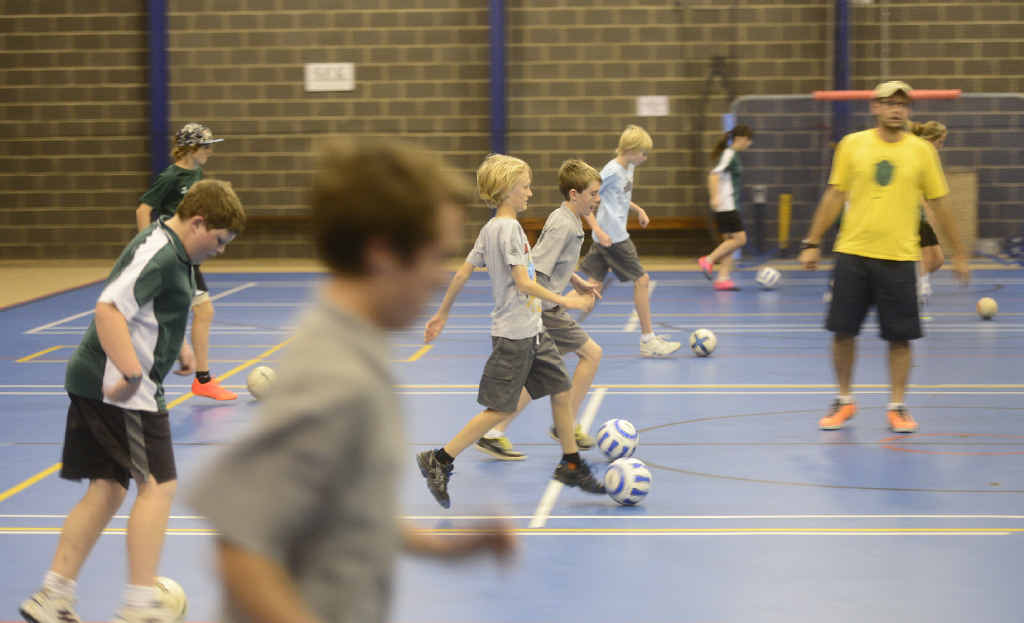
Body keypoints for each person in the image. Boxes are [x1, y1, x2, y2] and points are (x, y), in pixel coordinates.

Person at [188, 138, 514, 623]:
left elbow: (349, 511)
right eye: (433, 256)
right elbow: (239, 548)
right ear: (382, 253)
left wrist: (450, 548)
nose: (438, 278)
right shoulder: (332, 375)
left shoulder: (362, 352)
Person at [20, 179, 246, 623]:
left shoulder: (175, 249)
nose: (220, 251)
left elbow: (152, 307)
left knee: (107, 488)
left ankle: (53, 596)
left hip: (97, 383)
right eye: (219, 241)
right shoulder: (159, 253)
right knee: (158, 485)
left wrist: (175, 343)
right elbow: (108, 309)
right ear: (199, 222)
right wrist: (128, 372)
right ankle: (140, 606)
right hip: (122, 391)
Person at [418, 153, 605, 508]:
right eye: (525, 187)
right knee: (499, 410)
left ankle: (571, 463)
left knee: (561, 388)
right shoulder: (509, 230)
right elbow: (524, 282)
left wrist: (442, 313)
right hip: (515, 334)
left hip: (532, 329)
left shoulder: (491, 229)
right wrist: (569, 303)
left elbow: (462, 272)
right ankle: (439, 459)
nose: (530, 193)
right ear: (506, 190)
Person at [798, 81, 969, 434]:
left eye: (903, 104)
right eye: (889, 103)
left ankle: (897, 406)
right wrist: (812, 240)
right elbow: (834, 194)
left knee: (900, 337)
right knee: (843, 332)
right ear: (875, 107)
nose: (896, 110)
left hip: (899, 257)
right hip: (852, 253)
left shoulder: (922, 152)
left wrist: (960, 253)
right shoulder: (852, 145)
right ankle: (844, 400)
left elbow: (940, 202)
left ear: (909, 110)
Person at [470, 159, 605, 460]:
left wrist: (577, 280)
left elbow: (550, 263)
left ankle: (494, 432)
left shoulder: (567, 220)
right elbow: (536, 269)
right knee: (591, 354)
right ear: (574, 194)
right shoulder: (563, 224)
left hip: (544, 307)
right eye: (593, 194)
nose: (597, 200)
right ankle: (564, 424)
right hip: (544, 309)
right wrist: (563, 301)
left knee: (540, 377)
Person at [136, 122, 236, 401]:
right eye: (206, 146)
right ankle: (183, 376)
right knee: (182, 315)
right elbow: (144, 208)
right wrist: (147, 244)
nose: (210, 151)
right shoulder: (171, 176)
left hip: (190, 256)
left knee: (199, 313)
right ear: (191, 147)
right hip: (173, 254)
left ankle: (201, 379)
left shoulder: (198, 173)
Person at [580, 125, 681, 357]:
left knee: (590, 290)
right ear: (632, 150)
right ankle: (648, 340)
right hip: (613, 238)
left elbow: (620, 197)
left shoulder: (629, 168)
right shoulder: (611, 171)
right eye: (643, 153)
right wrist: (597, 229)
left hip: (607, 237)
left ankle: (549, 325)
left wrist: (638, 209)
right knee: (642, 280)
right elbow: (587, 201)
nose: (645, 157)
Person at [698, 125, 755, 290]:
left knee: (730, 243)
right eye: (749, 140)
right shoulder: (729, 154)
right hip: (726, 206)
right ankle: (708, 260)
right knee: (740, 239)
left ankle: (723, 278)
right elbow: (714, 174)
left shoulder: (732, 155)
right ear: (742, 138)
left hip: (728, 205)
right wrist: (714, 197)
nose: (749, 144)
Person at [909, 120, 949, 303]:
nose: (941, 147)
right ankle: (921, 288)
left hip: (920, 210)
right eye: (940, 142)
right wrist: (925, 211)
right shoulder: (917, 152)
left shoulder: (930, 156)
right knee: (924, 253)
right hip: (909, 210)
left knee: (938, 259)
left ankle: (909, 282)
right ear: (931, 139)